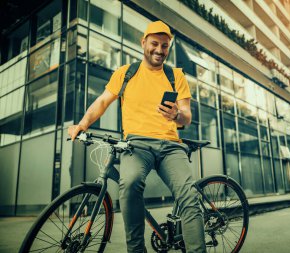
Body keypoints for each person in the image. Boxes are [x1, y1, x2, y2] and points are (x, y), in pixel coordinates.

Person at [68, 21, 206, 253]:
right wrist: (82, 124)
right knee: (129, 184)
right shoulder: (125, 74)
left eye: (165, 46)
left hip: (171, 146)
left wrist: (176, 115)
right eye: (155, 44)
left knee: (189, 196)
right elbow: (102, 101)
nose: (159, 50)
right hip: (136, 145)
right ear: (143, 43)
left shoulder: (176, 76)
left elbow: (187, 117)